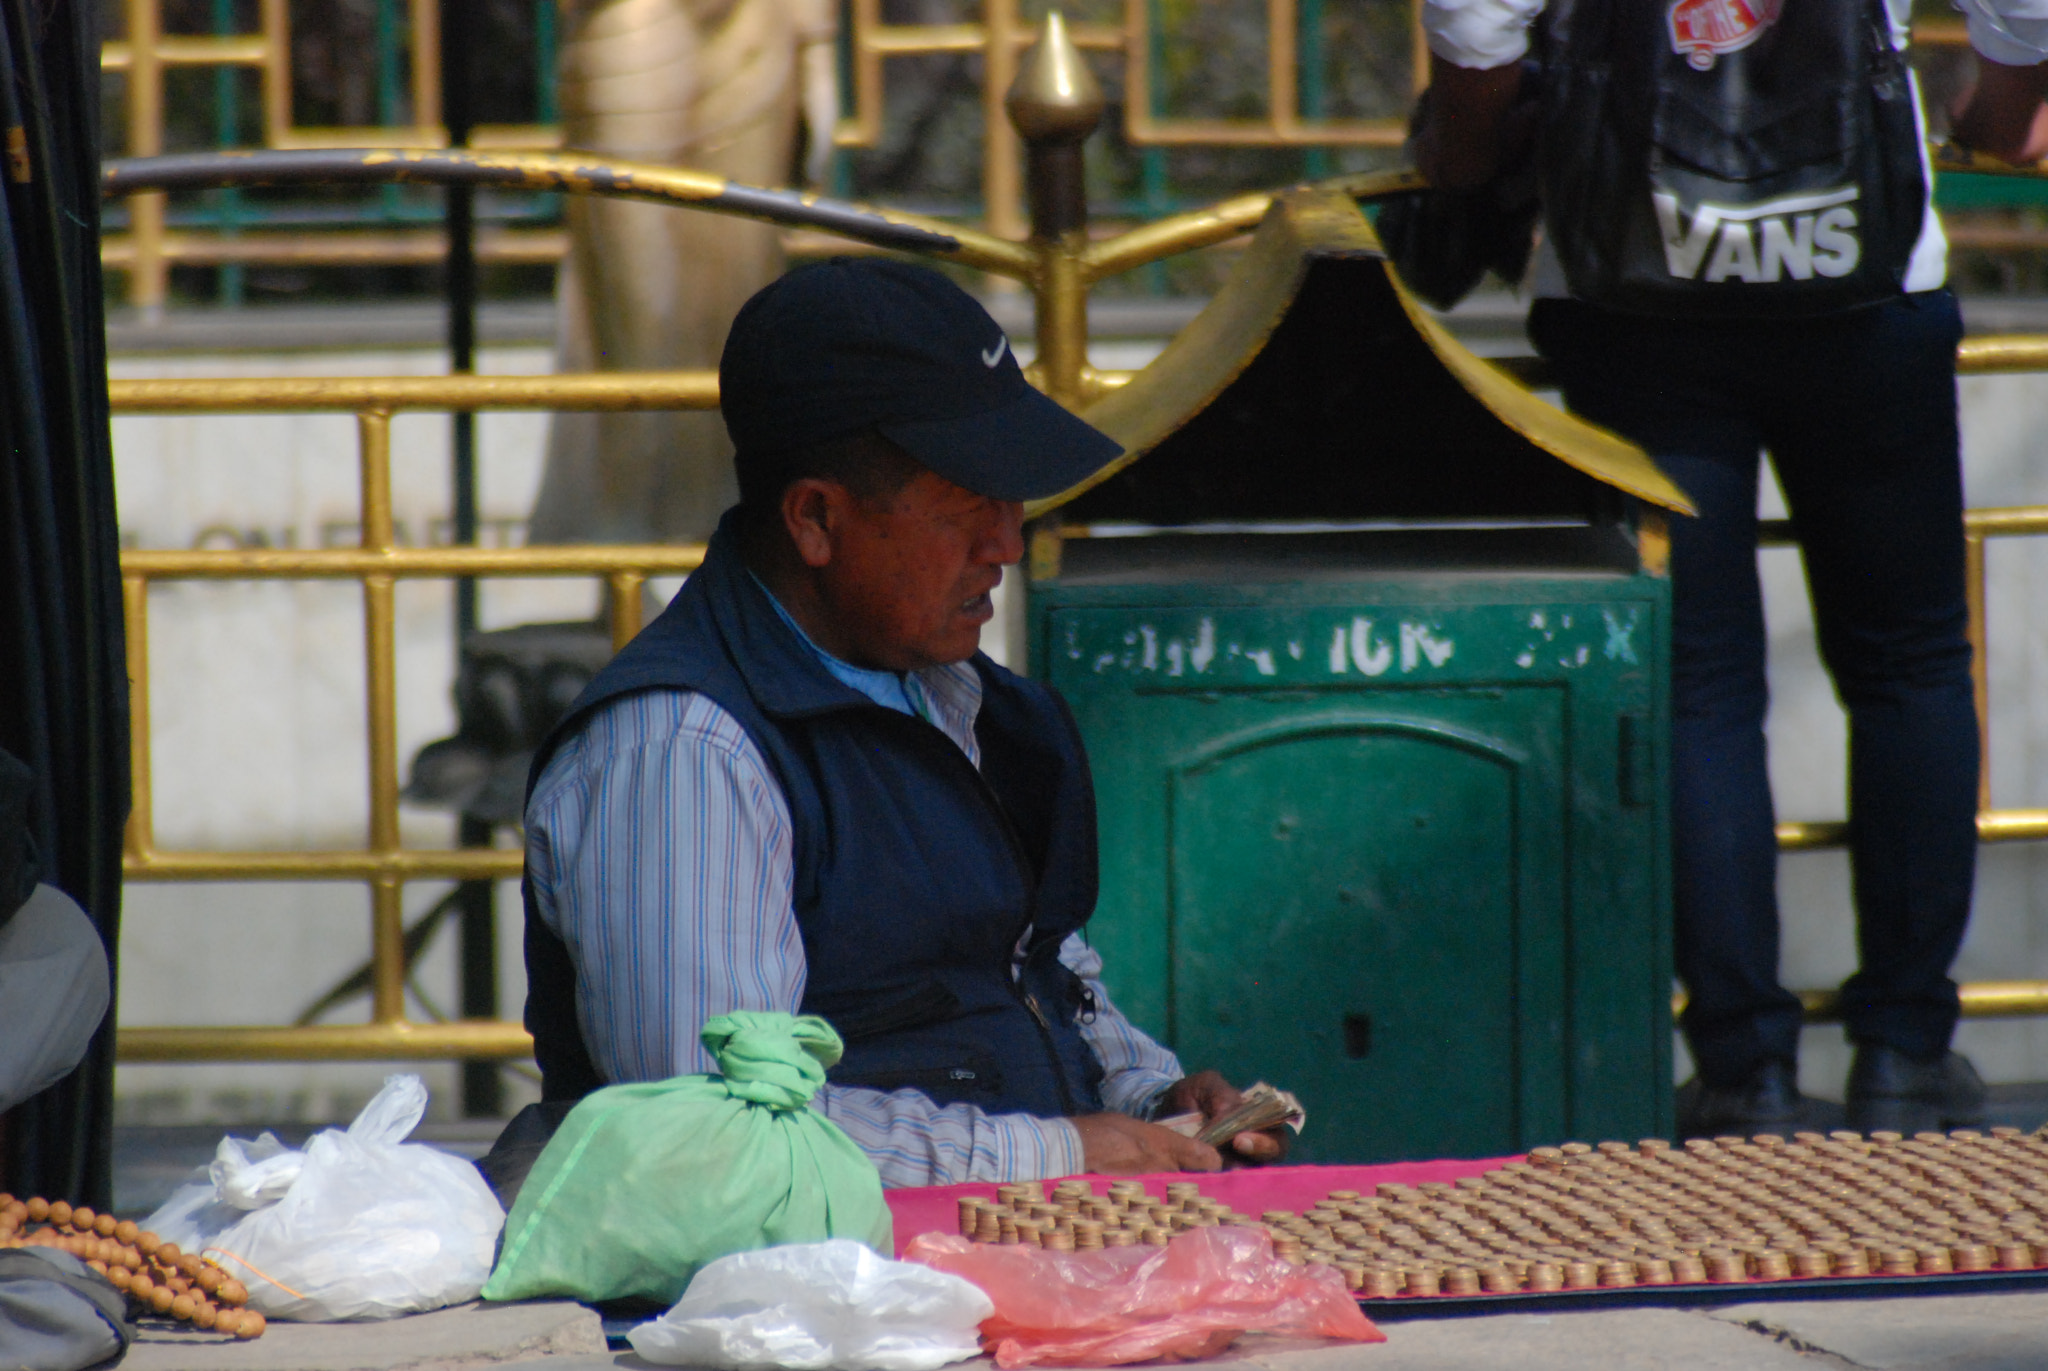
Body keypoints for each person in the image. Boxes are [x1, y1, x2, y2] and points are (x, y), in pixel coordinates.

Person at [1412, 0, 2048, 1136]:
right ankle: (1903, 1051)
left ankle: (1741, 1066)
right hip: (1867, 288)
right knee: (1907, 668)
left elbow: (1473, 39)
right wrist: (1995, 119)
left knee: (1698, 689)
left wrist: (1465, 158)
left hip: (1632, 292)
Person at [519, 258, 1287, 1186]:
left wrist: (1148, 1103)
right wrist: (1053, 1150)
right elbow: (710, 1131)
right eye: (968, 507)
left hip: (1010, 1251)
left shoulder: (971, 701)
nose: (1006, 543)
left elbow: (1039, 979)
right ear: (815, 519)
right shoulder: (685, 752)